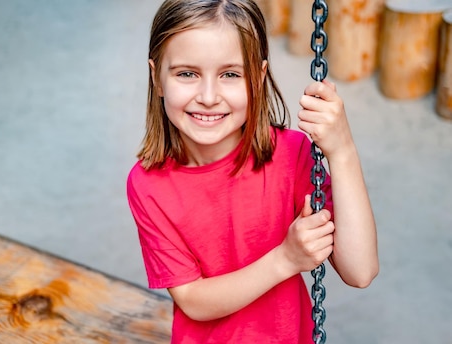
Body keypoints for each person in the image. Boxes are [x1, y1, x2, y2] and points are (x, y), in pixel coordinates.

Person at [126, 0, 379, 343]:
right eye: (187, 73)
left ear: (258, 78)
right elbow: (193, 301)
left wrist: (343, 151)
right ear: (157, 77)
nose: (209, 96)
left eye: (230, 74)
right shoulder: (147, 185)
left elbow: (360, 271)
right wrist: (286, 259)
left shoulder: (290, 155)